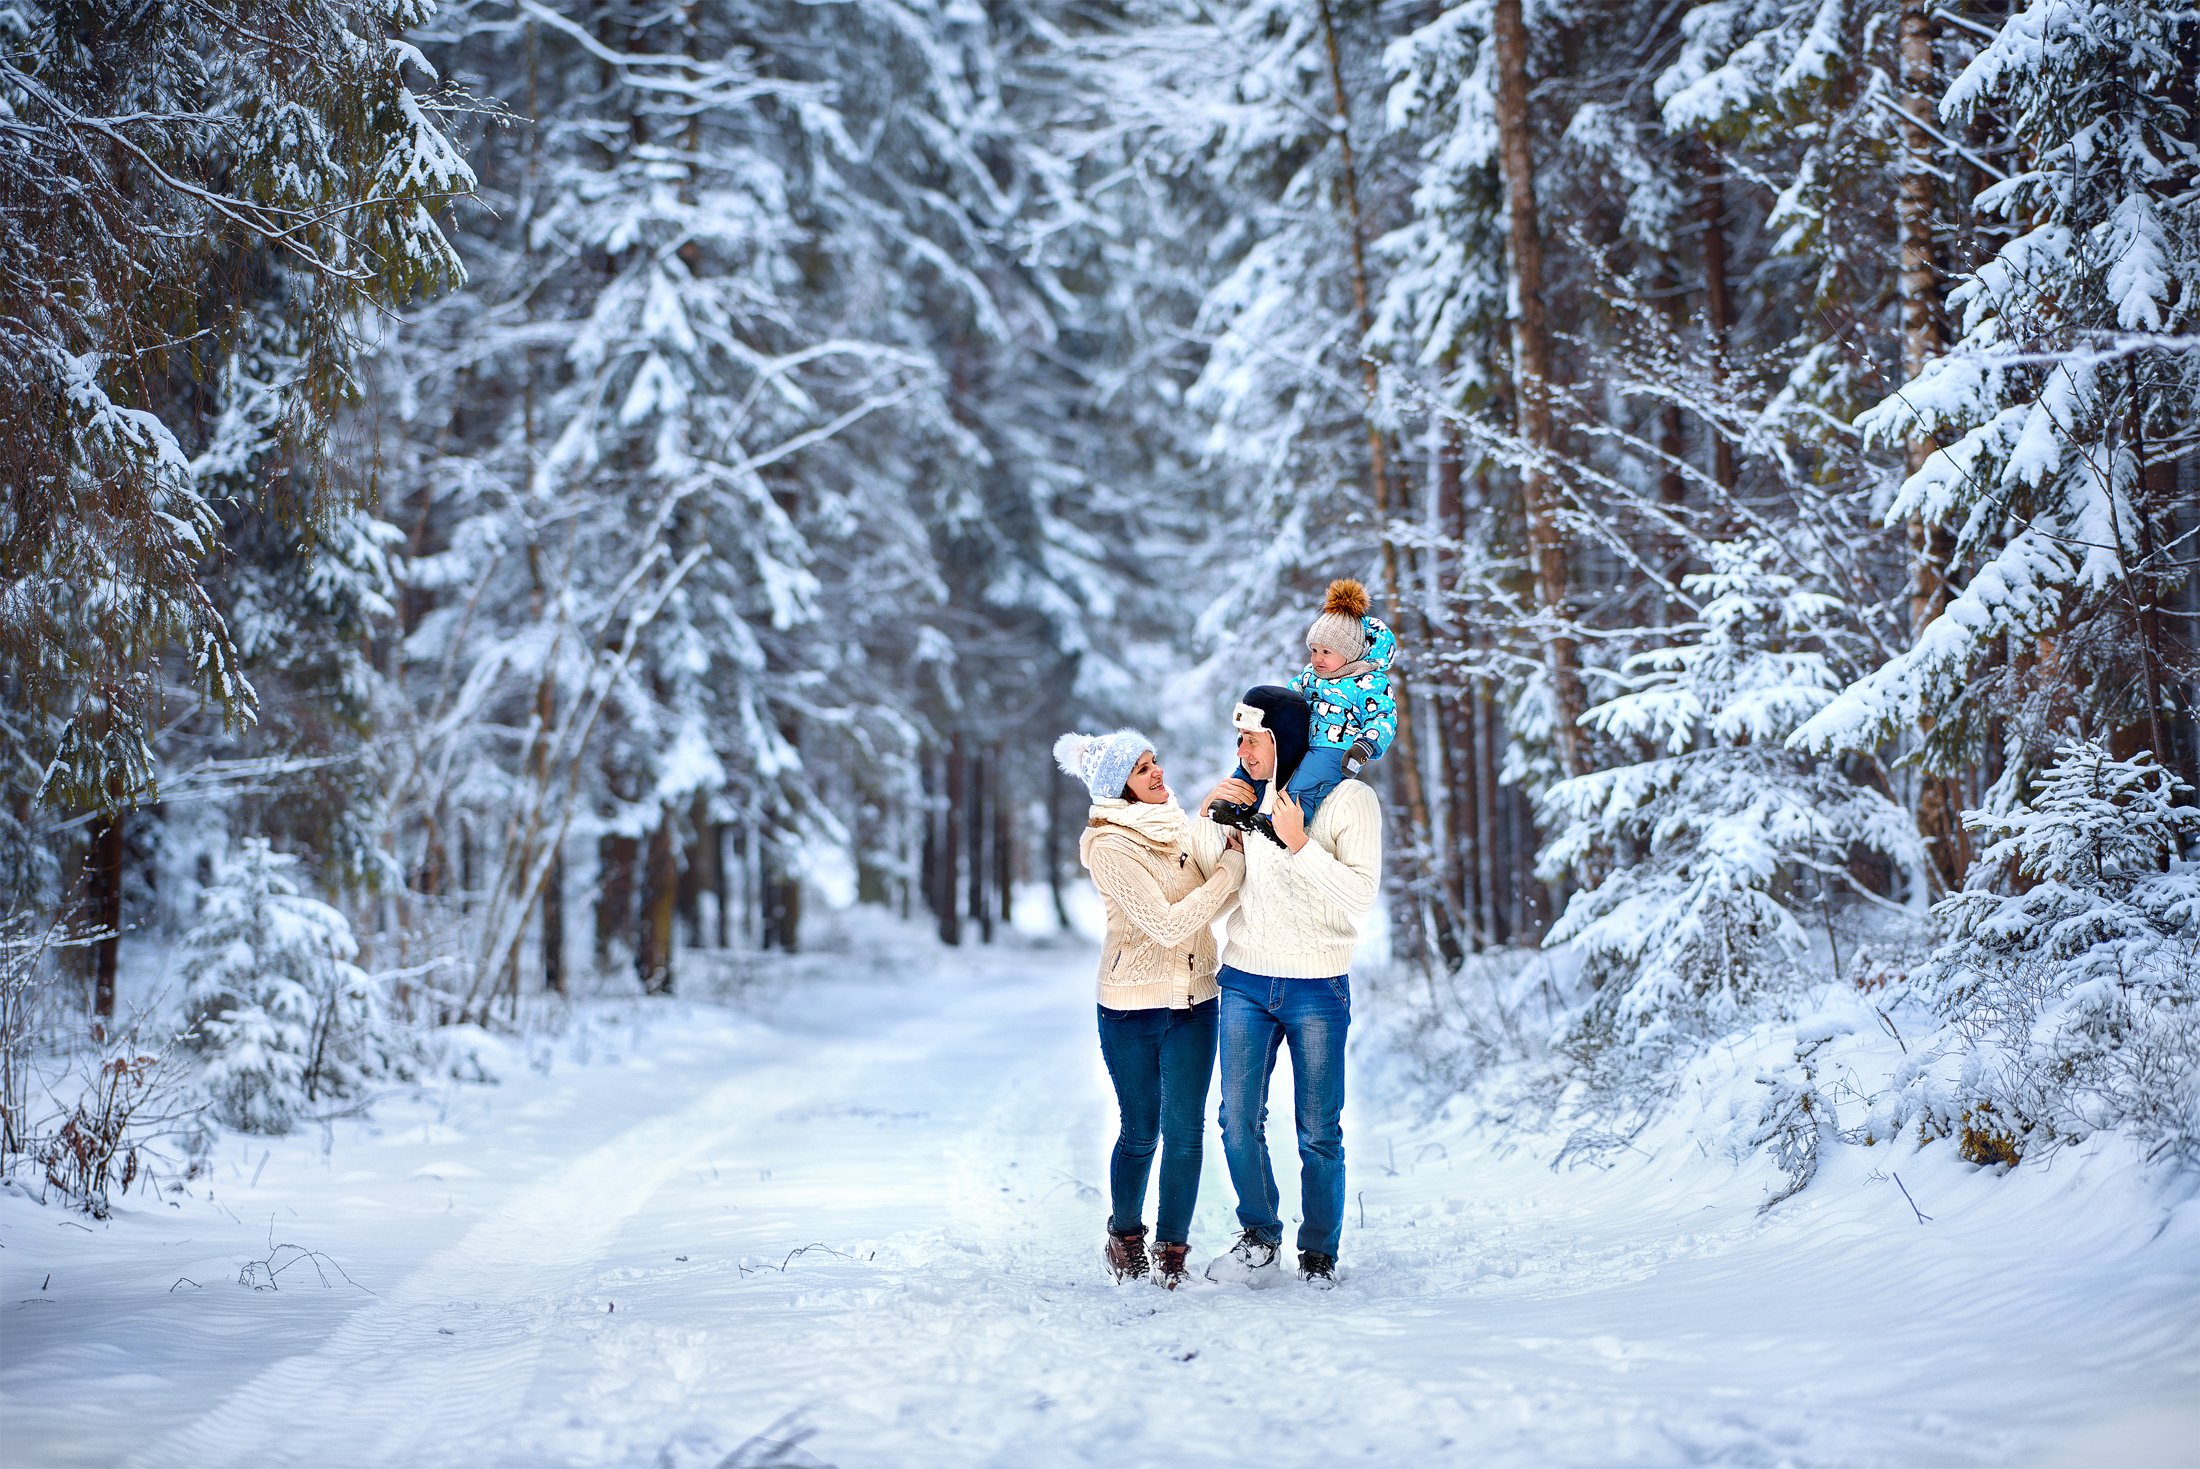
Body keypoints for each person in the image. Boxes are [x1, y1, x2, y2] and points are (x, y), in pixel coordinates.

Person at [1187, 685, 1381, 1289]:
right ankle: (1259, 1236)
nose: (1243, 751)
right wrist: (1206, 815)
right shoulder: (1246, 799)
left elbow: (1360, 895)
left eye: (1255, 738)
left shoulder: (1349, 799)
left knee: (1318, 1131)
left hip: (1317, 985)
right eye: (1238, 739)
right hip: (1246, 978)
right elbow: (1198, 869)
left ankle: (1319, 1253)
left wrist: (1298, 843)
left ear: (1286, 739)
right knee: (1236, 1118)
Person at [1055, 727, 1245, 1289]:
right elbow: (1166, 924)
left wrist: (1229, 863)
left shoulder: (1178, 826)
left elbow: (1209, 901)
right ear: (1121, 788)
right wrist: (1228, 876)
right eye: (1142, 769)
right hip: (1131, 1008)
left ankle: (1173, 1250)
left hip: (1195, 1001)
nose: (1157, 772)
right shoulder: (1111, 846)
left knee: (1186, 1133)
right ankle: (1126, 1236)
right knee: (1141, 1131)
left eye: (1154, 760)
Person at [1208, 579, 1396, 848]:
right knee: (1261, 762)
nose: (1318, 658)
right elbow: (1290, 697)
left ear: (1349, 653)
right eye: (1314, 651)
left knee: (1304, 782)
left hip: (1334, 747)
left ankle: (1283, 825)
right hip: (1303, 738)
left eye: (1326, 652)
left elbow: (1383, 717)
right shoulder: (1311, 675)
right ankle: (1238, 804)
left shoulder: (1368, 682)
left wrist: (1365, 745)